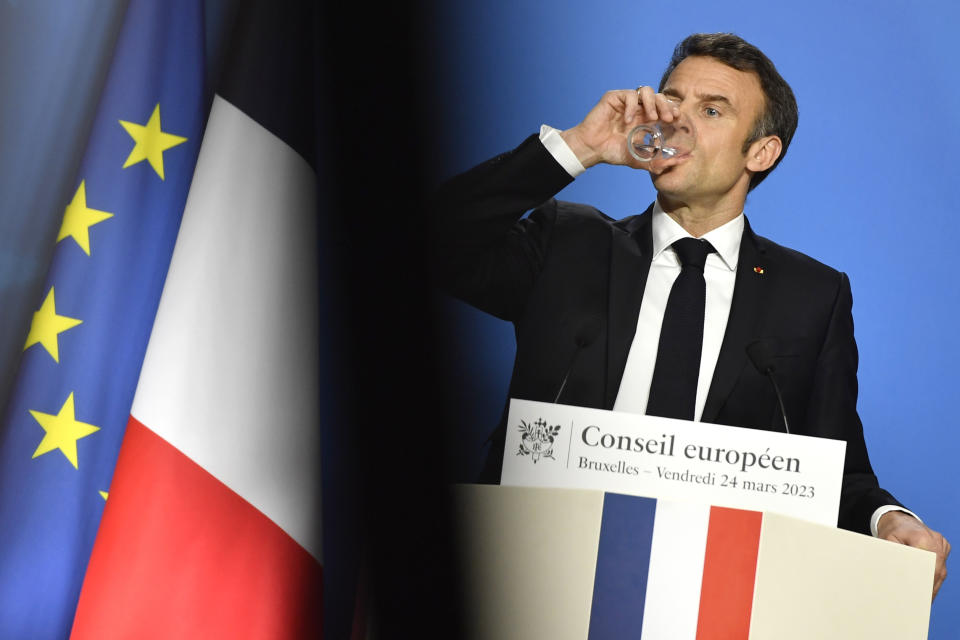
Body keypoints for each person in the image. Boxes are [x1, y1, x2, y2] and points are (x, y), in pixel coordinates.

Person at [430, 32, 949, 598]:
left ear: (761, 152)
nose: (677, 121)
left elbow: (837, 472)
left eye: (711, 109)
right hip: (537, 582)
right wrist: (579, 146)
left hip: (711, 600)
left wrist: (889, 520)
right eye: (671, 100)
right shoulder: (567, 241)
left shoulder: (813, 296)